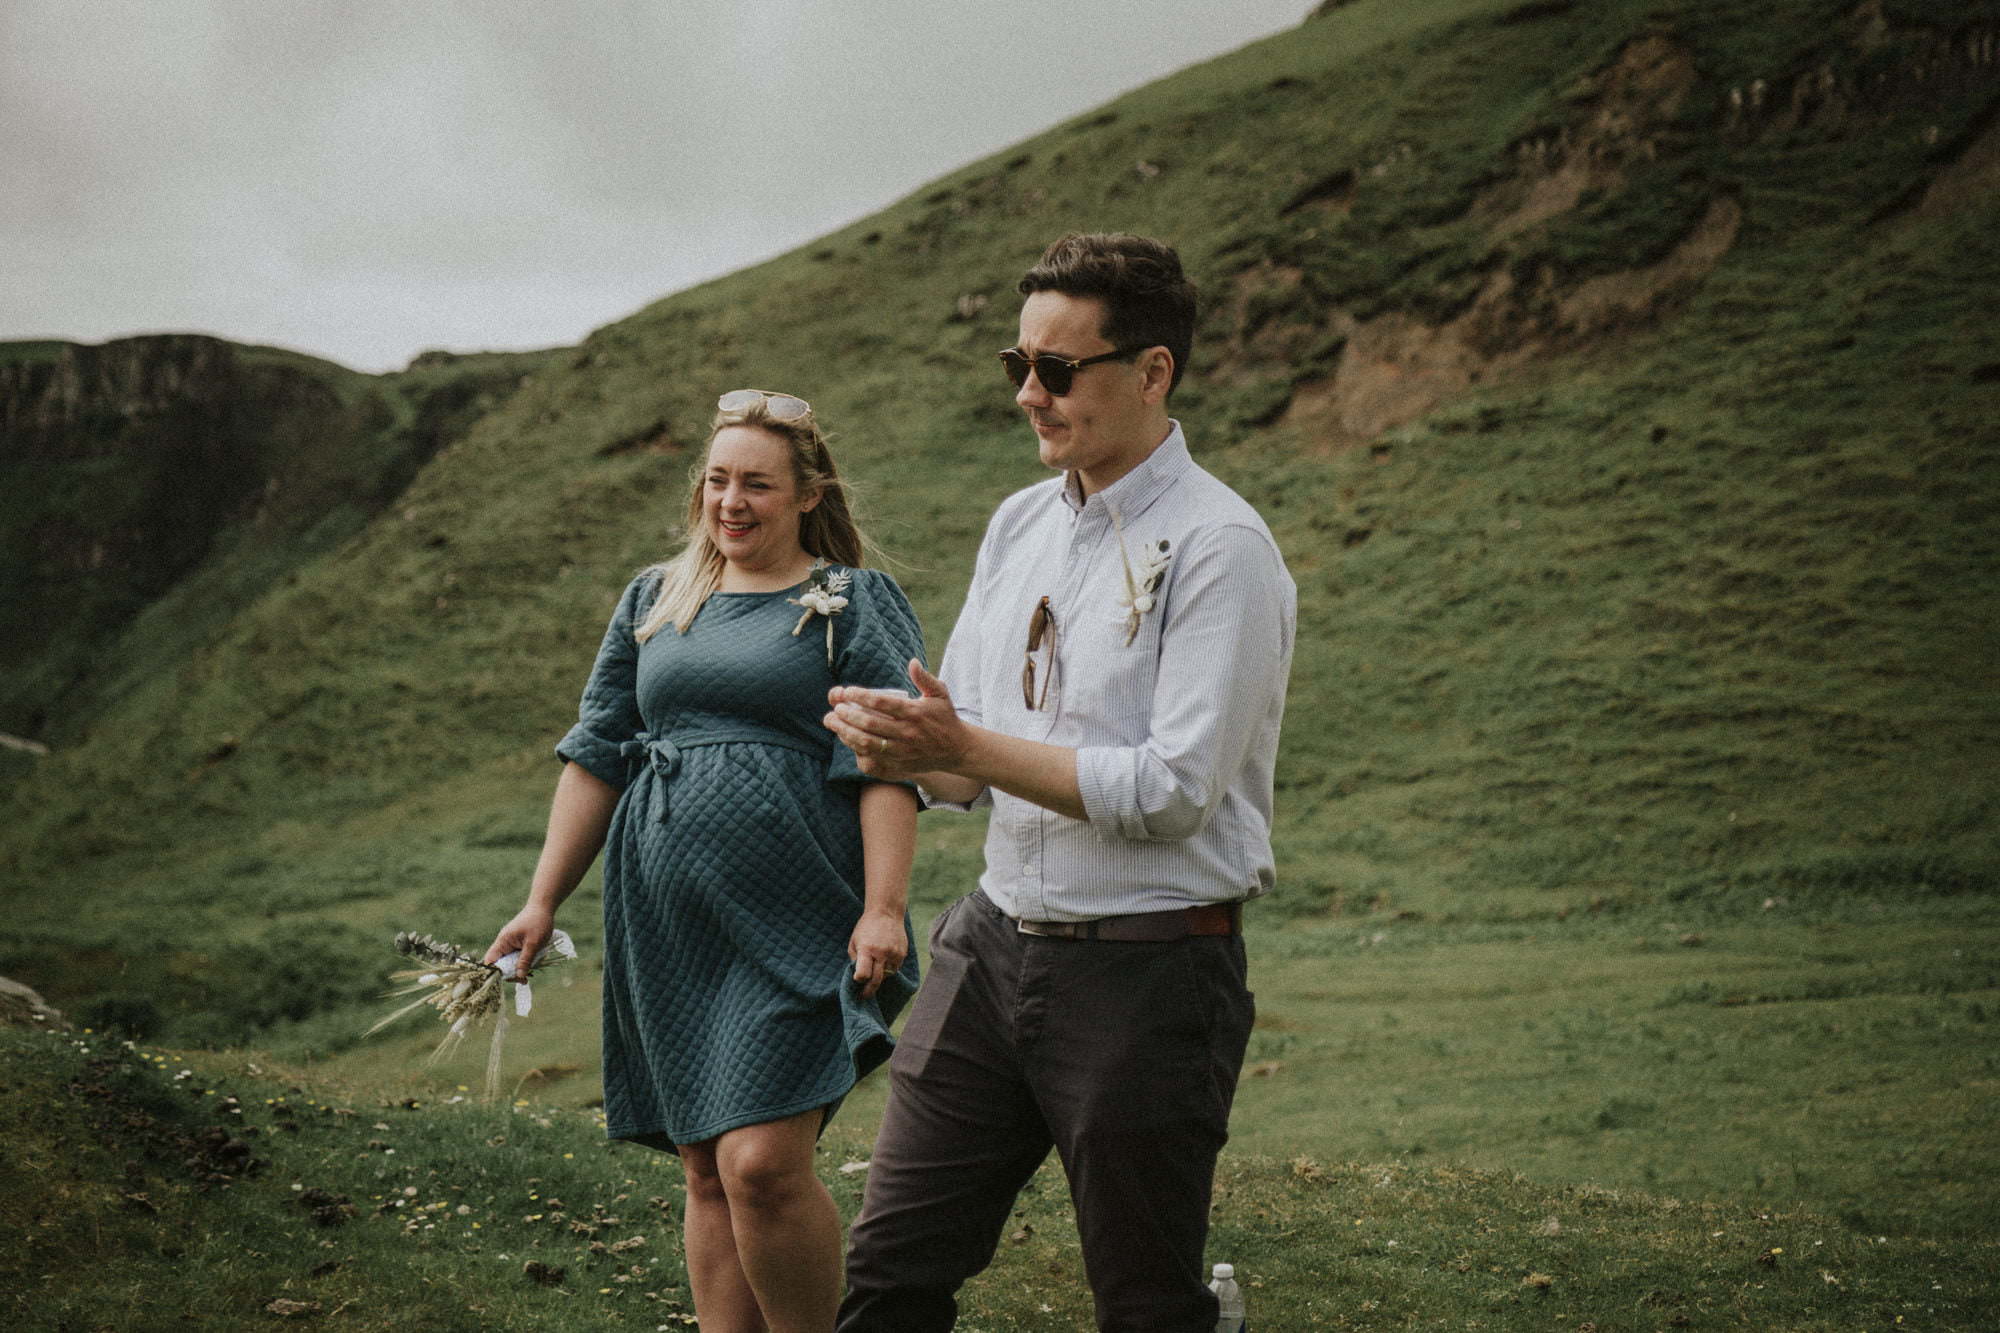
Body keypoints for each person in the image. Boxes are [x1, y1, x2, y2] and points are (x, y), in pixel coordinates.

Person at [823, 233, 1297, 1332]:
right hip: (990, 948)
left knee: (1141, 1306)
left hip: (1149, 967)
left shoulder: (1222, 546)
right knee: (888, 1272)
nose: (1029, 395)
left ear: (1151, 372)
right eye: (1016, 367)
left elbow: (1173, 788)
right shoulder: (1019, 521)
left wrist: (967, 751)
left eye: (1057, 370)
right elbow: (974, 744)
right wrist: (902, 747)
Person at [484, 388, 925, 1333]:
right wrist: (541, 899)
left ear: (808, 494)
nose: (732, 500)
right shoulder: (657, 596)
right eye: (718, 479)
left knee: (761, 1163)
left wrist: (883, 906)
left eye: (757, 483)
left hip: (802, 909)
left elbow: (884, 760)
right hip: (666, 919)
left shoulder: (852, 600)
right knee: (705, 1169)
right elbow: (598, 749)